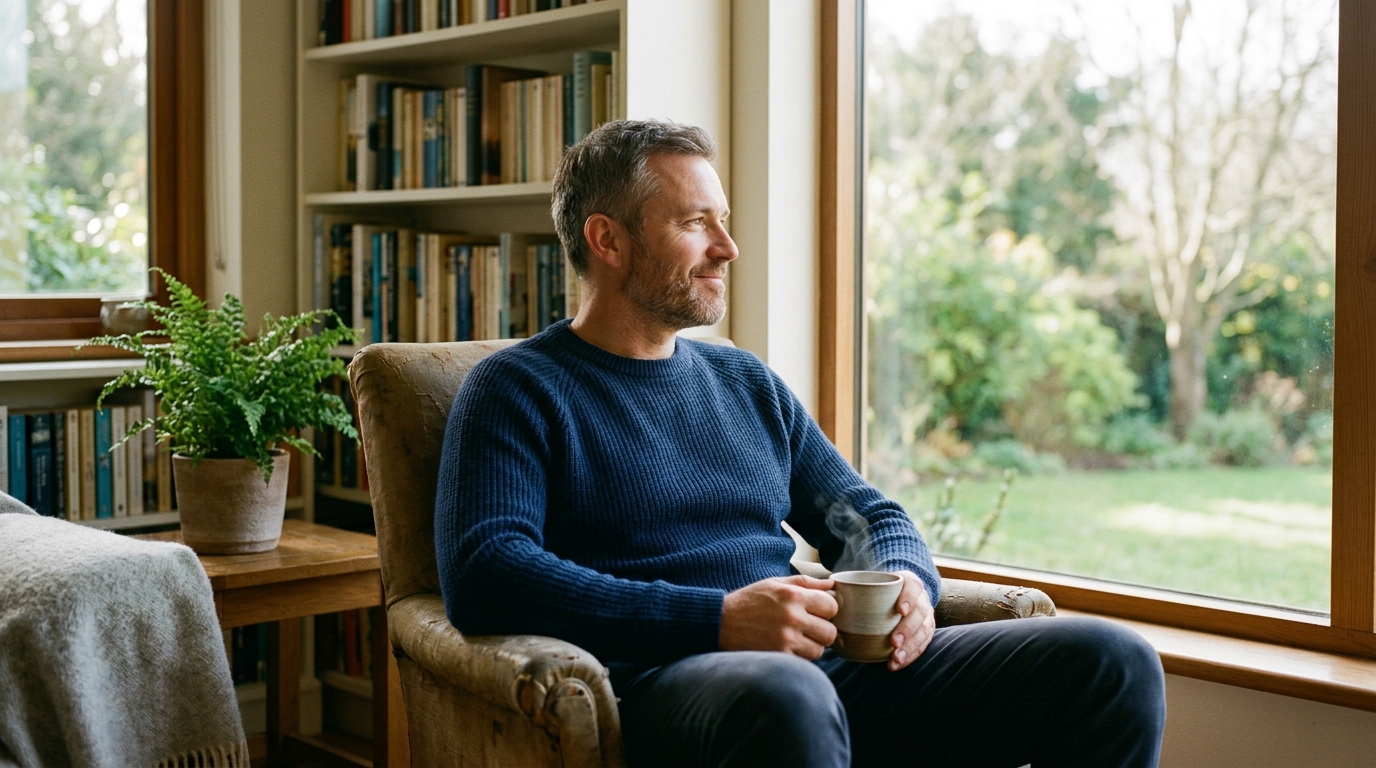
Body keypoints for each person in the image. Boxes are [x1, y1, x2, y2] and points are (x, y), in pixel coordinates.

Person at [435, 119, 1166, 767]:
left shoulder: (743, 380)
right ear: (608, 239)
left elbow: (867, 516)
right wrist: (716, 620)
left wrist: (908, 583)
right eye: (697, 223)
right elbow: (488, 573)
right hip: (667, 680)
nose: (729, 247)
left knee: (1113, 659)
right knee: (785, 694)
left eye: (724, 221)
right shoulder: (516, 389)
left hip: (822, 670)